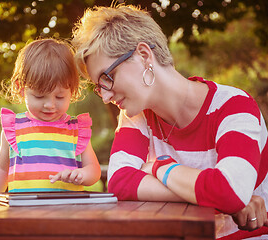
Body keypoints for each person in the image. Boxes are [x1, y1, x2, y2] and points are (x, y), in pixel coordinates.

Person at [72, 4, 268, 239]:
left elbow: (229, 190)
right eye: (98, 86)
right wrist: (220, 195)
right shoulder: (135, 117)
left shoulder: (234, 106)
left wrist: (158, 167)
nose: (105, 96)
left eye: (107, 78)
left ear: (144, 56)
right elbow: (119, 181)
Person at [0, 38, 101, 203]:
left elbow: (94, 170)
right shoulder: (14, 129)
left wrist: (82, 175)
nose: (50, 105)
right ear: (21, 88)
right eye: (39, 96)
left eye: (60, 96)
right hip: (23, 216)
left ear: (72, 90)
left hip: (67, 215)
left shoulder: (76, 131)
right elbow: (1, 170)